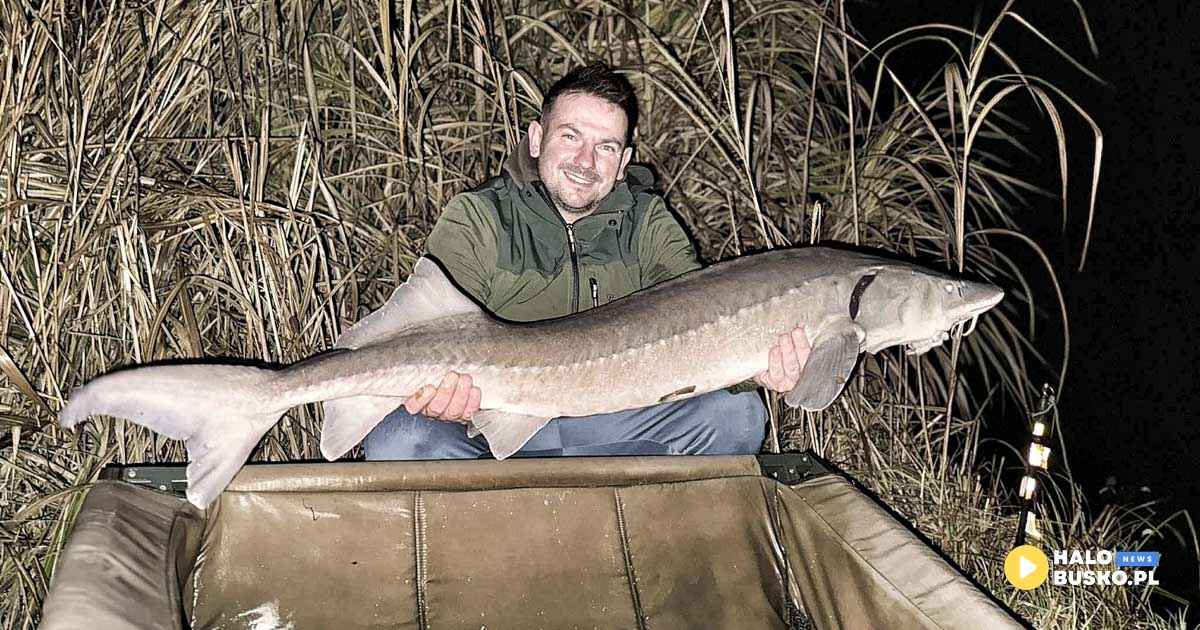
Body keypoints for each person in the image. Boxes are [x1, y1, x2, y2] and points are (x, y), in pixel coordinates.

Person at [363, 62, 810, 460]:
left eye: (607, 147)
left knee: (737, 416)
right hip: (496, 424)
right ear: (537, 139)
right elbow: (433, 325)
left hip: (613, 426)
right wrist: (448, 403)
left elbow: (697, 331)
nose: (585, 161)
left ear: (623, 162)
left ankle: (645, 538)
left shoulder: (649, 223)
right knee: (400, 439)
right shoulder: (479, 216)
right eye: (571, 136)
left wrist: (756, 370)